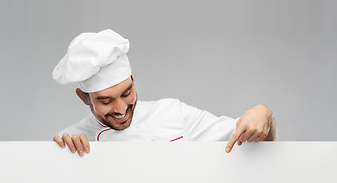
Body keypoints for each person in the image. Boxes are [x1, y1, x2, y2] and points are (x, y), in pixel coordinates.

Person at [52, 29, 278, 156]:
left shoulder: (172, 113)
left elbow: (252, 139)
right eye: (105, 101)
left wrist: (264, 114)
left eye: (127, 92)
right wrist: (65, 157)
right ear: (84, 98)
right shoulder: (71, 139)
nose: (121, 109)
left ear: (132, 78)